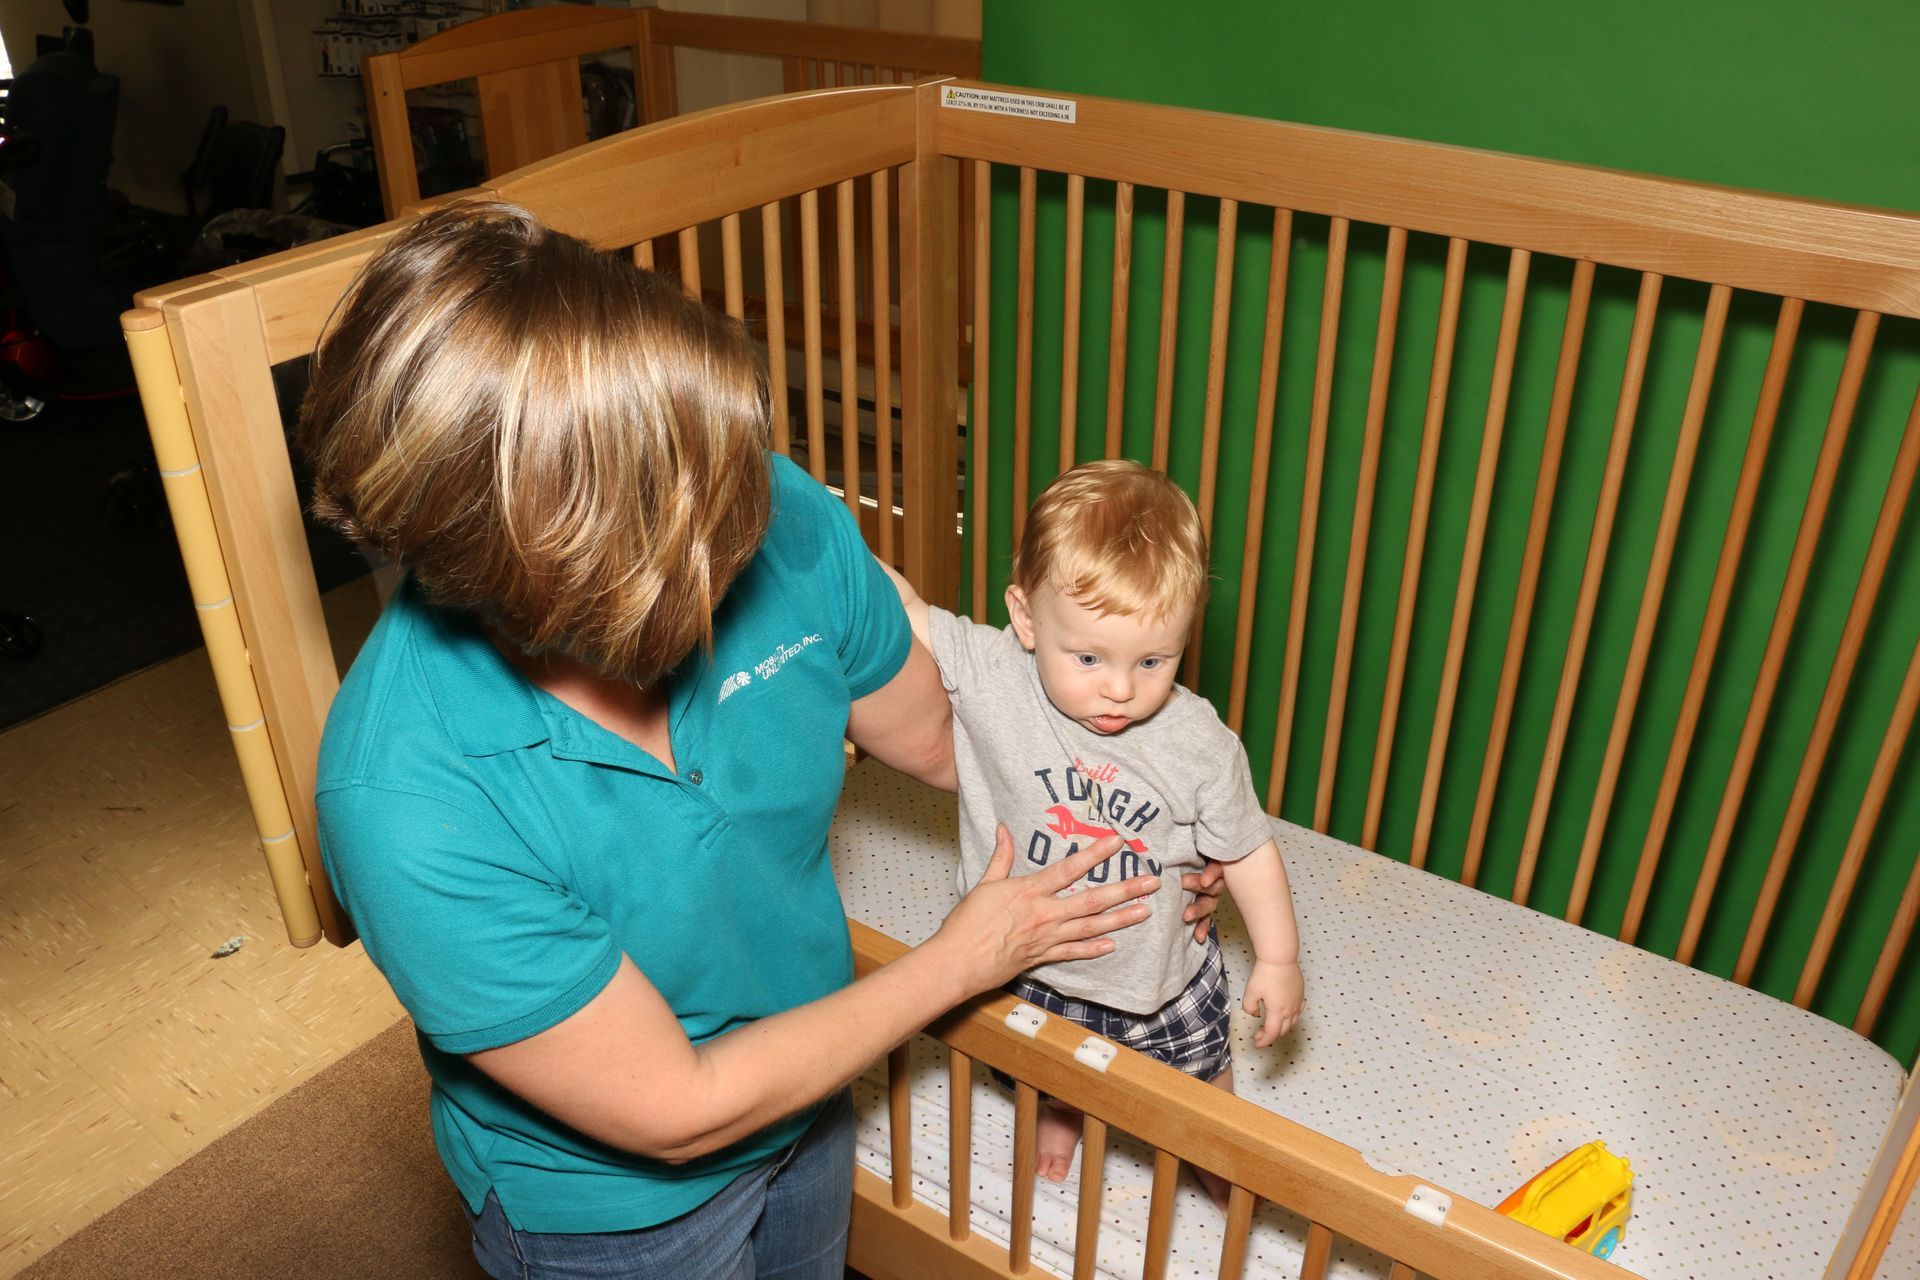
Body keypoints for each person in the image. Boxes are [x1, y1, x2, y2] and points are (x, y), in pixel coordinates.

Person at [295, 200, 1207, 1280]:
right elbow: (676, 1107)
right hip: (619, 1207)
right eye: (687, 509)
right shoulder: (407, 793)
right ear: (543, 552)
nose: (750, 518)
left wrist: (1142, 835)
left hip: (810, 1090)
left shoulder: (774, 512)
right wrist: (963, 958)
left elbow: (955, 743)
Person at [886, 459, 1305, 1197]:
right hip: (1026, 962)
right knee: (1049, 1070)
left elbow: (1249, 850)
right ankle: (1066, 1112)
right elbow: (899, 607)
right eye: (1088, 658)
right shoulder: (991, 670)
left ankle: (1216, 1149)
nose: (1120, 688)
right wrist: (804, 525)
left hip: (1155, 980)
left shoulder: (1199, 742)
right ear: (1024, 618)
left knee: (1203, 1079)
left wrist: (1278, 959)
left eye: (1153, 660)